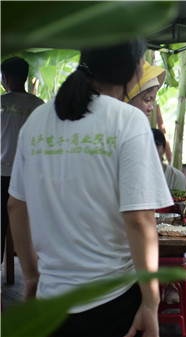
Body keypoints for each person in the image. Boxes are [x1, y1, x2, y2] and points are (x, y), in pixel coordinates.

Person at [7, 40, 173, 337]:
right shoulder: (129, 120)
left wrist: (31, 276)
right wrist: (150, 302)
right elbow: (139, 220)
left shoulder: (37, 121)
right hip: (112, 302)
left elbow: (15, 206)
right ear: (135, 68)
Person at [1, 57, 44, 263]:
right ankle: (34, 274)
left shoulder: (1, 103)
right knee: (32, 226)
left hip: (2, 174)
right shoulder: (39, 106)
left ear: (6, 77)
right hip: (30, 176)